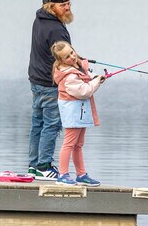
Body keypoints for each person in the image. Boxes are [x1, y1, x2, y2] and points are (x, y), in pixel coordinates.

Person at [27, 0, 73, 180]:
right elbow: (64, 57)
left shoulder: (40, 19)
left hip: (36, 79)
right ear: (52, 6)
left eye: (69, 4)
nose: (68, 8)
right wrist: (81, 68)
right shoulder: (56, 29)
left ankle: (34, 166)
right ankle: (44, 166)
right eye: (63, 5)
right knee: (51, 125)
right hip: (49, 83)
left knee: (37, 124)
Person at [50, 40, 105, 186]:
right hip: (73, 112)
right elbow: (84, 91)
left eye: (72, 52)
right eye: (67, 57)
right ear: (61, 61)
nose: (72, 57)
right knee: (69, 143)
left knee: (78, 144)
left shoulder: (76, 67)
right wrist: (97, 82)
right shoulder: (69, 76)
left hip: (80, 111)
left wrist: (96, 78)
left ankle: (81, 174)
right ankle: (62, 175)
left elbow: (86, 77)